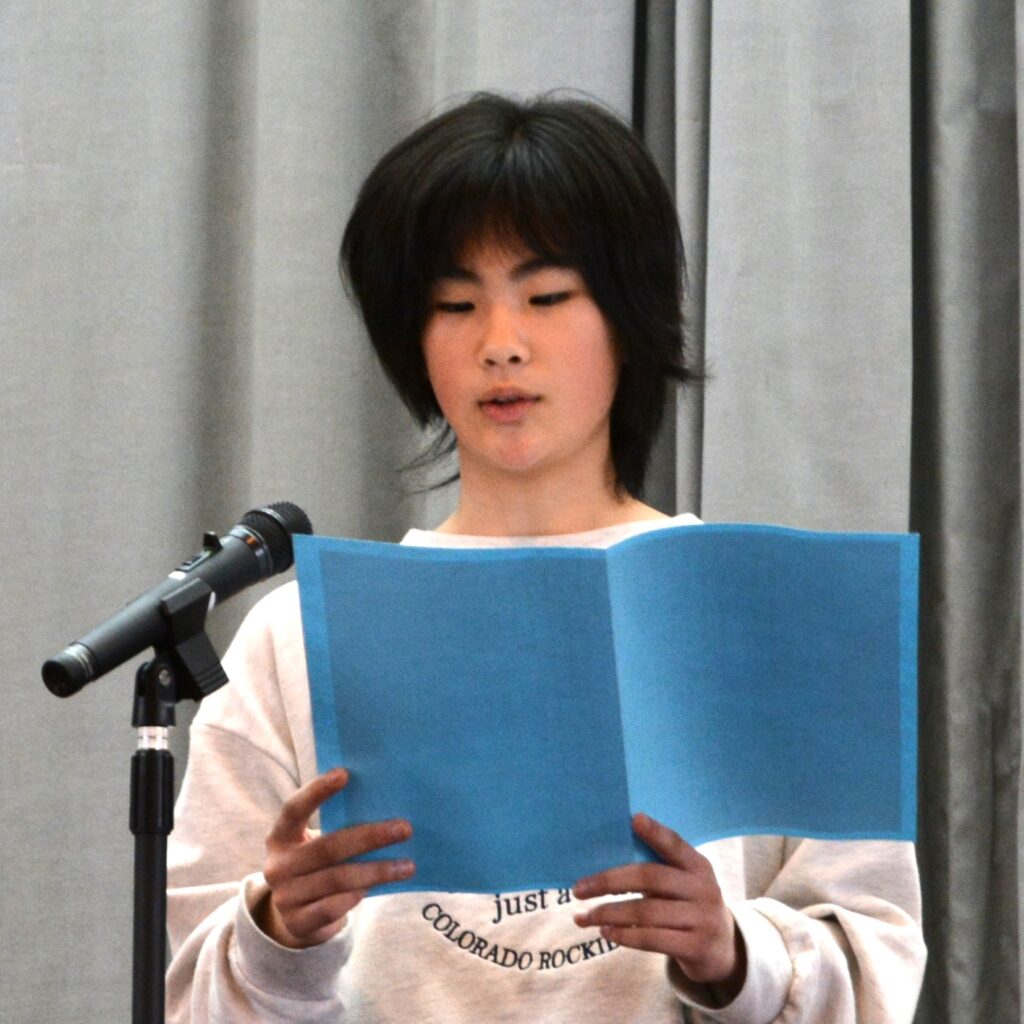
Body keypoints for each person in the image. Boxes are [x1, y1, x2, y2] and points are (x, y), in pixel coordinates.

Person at [166, 92, 926, 1022]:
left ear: (629, 316)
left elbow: (875, 966)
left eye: (548, 297)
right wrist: (280, 933)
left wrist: (733, 954)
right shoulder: (299, 637)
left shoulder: (770, 622)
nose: (502, 345)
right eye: (455, 304)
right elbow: (191, 994)